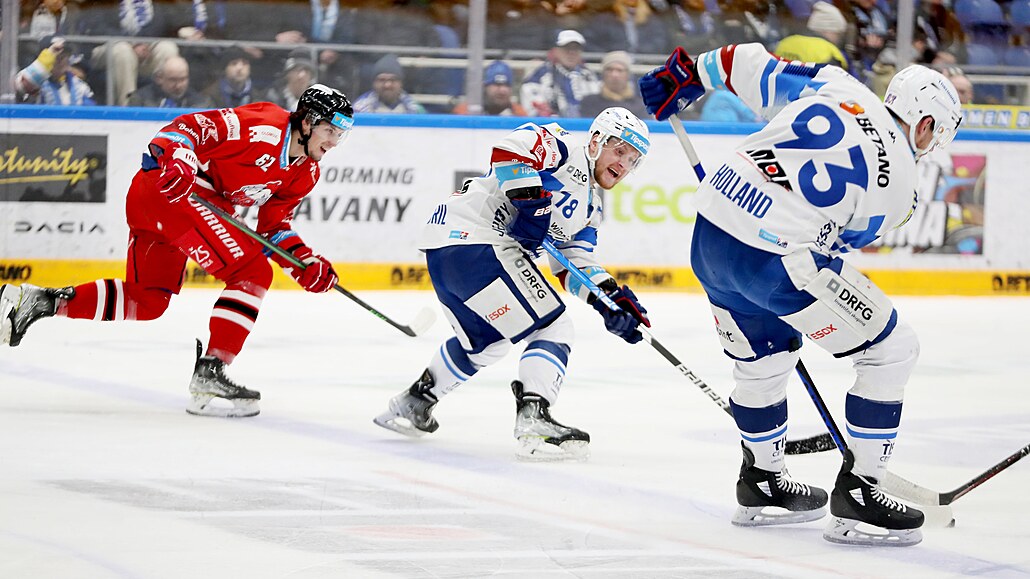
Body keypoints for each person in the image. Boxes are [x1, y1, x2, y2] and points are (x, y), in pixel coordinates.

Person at [639, 45, 961, 545]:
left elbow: (744, 61)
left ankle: (762, 481)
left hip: (710, 237)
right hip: (775, 263)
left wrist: (686, 75)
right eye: (935, 135)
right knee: (892, 351)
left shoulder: (837, 85)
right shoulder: (904, 189)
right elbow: (841, 241)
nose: (930, 145)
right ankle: (860, 492)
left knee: (763, 360)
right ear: (924, 124)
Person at [0, 85, 355, 419]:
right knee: (252, 273)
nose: (334, 142)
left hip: (161, 205)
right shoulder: (264, 125)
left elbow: (273, 229)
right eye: (331, 130)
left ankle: (40, 302)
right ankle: (212, 371)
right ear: (307, 121)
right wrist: (181, 160)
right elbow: (188, 127)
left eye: (342, 134)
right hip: (172, 192)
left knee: (148, 300)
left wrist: (304, 262)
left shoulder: (305, 172)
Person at [374, 107, 653, 461]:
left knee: (486, 345)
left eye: (633, 160)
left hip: (447, 250)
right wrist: (532, 204)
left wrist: (609, 299)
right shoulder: (563, 149)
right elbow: (509, 150)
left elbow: (573, 266)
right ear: (597, 140)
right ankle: (534, 418)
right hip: (475, 238)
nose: (624, 164)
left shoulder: (590, 211)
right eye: (620, 150)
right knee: (554, 327)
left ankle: (415, 402)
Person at [520, 29, 601, 118]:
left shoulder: (590, 76)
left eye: (576, 49)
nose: (572, 53)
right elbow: (533, 110)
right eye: (567, 49)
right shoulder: (539, 76)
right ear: (555, 51)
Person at [14, 35, 96, 106]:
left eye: (64, 55)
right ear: (43, 58)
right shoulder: (36, 85)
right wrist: (42, 68)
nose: (61, 60)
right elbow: (21, 89)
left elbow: (92, 115)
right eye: (55, 56)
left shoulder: (80, 87)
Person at [774, 1, 849, 70]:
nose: (838, 39)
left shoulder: (784, 43)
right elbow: (836, 82)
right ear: (828, 30)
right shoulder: (831, 53)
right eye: (838, 34)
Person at [579, 51, 649, 119]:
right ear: (603, 74)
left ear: (628, 75)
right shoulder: (589, 102)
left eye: (619, 70)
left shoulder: (640, 105)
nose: (614, 75)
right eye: (609, 70)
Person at [127, 55, 215, 109]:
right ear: (159, 78)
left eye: (183, 79)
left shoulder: (202, 104)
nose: (178, 85)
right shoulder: (140, 100)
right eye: (173, 80)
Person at [352, 53, 426, 114]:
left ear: (401, 83)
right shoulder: (359, 108)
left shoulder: (415, 109)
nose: (387, 85)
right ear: (374, 83)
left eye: (393, 80)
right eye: (382, 80)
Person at [452, 60, 528, 116]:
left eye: (506, 85)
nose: (502, 90)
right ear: (485, 86)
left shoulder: (519, 114)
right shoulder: (466, 111)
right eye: (497, 85)